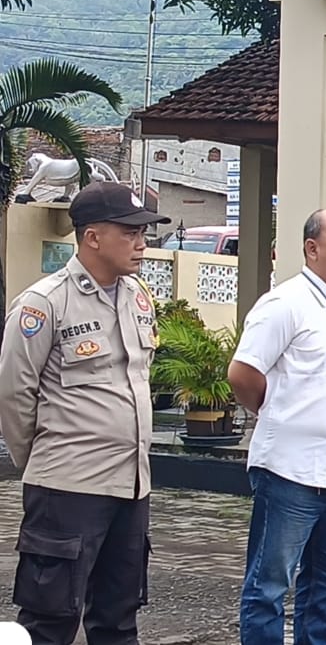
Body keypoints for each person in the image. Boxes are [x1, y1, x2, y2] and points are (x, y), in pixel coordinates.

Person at [0, 182, 169, 645]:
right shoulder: (44, 303)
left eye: (143, 233)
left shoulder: (136, 296)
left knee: (118, 620)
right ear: (92, 237)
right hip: (67, 487)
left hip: (131, 485)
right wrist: (43, 461)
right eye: (130, 233)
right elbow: (14, 393)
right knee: (49, 621)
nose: (141, 243)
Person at [228, 209, 326, 645]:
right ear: (312, 248)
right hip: (289, 473)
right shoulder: (285, 304)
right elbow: (243, 373)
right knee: (269, 585)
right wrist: (274, 412)